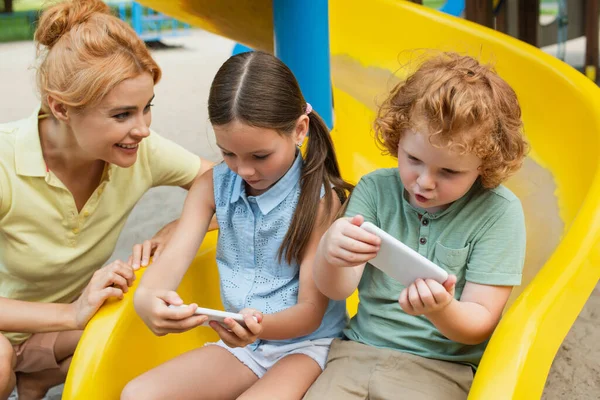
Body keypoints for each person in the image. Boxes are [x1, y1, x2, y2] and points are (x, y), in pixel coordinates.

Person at [0, 1, 213, 399]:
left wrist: (179, 228)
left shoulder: (141, 153)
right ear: (61, 107)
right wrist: (70, 312)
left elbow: (231, 182)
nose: (143, 129)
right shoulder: (4, 159)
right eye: (122, 115)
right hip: (13, 324)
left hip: (66, 333)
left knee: (147, 324)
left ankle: (36, 377)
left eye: (147, 109)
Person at [122, 51, 353, 400]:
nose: (243, 170)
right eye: (228, 153)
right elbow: (165, 271)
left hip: (308, 346)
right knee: (138, 394)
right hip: (244, 343)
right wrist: (148, 303)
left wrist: (255, 326)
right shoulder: (210, 187)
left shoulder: (319, 200)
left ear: (299, 130)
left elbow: (309, 313)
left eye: (260, 156)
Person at [305, 52, 529, 400]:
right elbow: (337, 289)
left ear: (485, 166)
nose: (424, 182)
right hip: (356, 352)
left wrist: (442, 309)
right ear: (399, 140)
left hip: (440, 367)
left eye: (449, 172)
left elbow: (480, 323)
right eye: (413, 160)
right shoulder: (376, 189)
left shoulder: (499, 213)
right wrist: (330, 252)